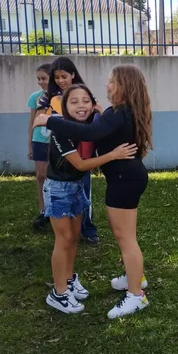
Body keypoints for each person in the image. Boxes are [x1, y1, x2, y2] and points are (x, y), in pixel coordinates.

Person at [35, 64, 153, 318]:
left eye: (112, 82)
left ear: (125, 86)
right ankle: (135, 277)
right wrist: (98, 111)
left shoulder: (117, 113)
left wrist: (51, 120)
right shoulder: (121, 112)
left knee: (126, 238)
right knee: (125, 235)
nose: (107, 86)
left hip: (124, 180)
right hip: (128, 177)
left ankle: (136, 295)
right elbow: (97, 125)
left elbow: (90, 131)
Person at [38, 57, 100, 245]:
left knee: (84, 191)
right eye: (56, 77)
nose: (60, 80)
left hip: (83, 151)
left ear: (73, 74)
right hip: (62, 152)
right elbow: (41, 122)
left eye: (64, 76)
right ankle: (54, 220)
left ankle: (87, 228)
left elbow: (97, 119)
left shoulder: (84, 94)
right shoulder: (49, 98)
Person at [28, 63, 51, 230]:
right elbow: (32, 122)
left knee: (54, 175)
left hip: (55, 140)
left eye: (43, 78)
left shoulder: (61, 96)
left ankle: (54, 209)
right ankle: (43, 210)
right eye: (38, 79)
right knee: (41, 175)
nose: (40, 82)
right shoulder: (35, 97)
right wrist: (29, 143)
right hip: (39, 140)